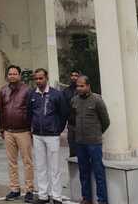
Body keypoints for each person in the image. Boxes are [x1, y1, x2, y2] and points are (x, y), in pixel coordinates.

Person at [28, 68, 69, 204]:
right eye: (36, 79)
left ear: (46, 78)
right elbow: (29, 113)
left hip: (52, 135)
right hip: (37, 135)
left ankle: (56, 197)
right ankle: (43, 196)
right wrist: (32, 128)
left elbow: (64, 114)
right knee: (40, 166)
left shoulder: (56, 94)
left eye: (41, 78)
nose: (38, 81)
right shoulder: (32, 95)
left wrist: (58, 129)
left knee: (54, 167)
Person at [69, 75, 109, 204]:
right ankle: (86, 198)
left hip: (94, 143)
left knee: (98, 172)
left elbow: (106, 121)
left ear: (88, 86)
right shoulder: (74, 100)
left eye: (82, 86)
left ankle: (102, 200)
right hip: (80, 142)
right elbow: (72, 120)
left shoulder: (97, 100)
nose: (79, 88)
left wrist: (96, 133)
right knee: (83, 172)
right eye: (77, 86)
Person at [0, 65, 34, 202]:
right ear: (7, 76)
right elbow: (1, 111)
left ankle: (29, 189)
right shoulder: (3, 91)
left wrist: (31, 129)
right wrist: (2, 129)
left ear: (19, 75)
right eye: (10, 74)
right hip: (8, 132)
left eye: (14, 74)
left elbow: (31, 110)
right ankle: (14, 189)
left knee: (27, 162)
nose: (12, 76)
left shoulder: (27, 90)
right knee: (12, 162)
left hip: (24, 131)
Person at [62, 71, 80, 158]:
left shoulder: (83, 90)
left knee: (82, 149)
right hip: (71, 124)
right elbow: (63, 107)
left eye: (76, 75)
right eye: (72, 75)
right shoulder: (66, 91)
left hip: (82, 124)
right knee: (72, 149)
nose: (74, 77)